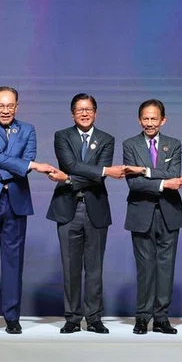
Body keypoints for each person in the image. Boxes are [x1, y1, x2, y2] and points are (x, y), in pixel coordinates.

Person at [0, 86, 56, 334]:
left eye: (10, 106)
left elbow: (24, 160)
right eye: (1, 105)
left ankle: (12, 317)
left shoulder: (28, 129)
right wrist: (31, 166)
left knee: (13, 263)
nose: (5, 110)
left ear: (17, 106)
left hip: (16, 202)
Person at [46, 93, 127, 334]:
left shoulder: (106, 139)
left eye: (88, 109)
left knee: (94, 268)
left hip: (95, 208)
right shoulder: (62, 136)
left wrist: (70, 179)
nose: (84, 113)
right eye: (80, 110)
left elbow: (94, 177)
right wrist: (103, 171)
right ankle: (72, 318)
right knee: (70, 267)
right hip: (68, 208)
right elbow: (71, 165)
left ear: (95, 113)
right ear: (73, 114)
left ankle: (94, 318)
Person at [122, 99, 182, 335]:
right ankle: (142, 317)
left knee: (166, 268)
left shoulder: (173, 145)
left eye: (154, 118)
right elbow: (134, 183)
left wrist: (145, 171)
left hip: (169, 213)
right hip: (141, 213)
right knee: (145, 268)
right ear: (139, 120)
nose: (149, 123)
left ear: (163, 120)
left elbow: (174, 174)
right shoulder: (130, 145)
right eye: (145, 118)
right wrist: (163, 183)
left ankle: (161, 318)